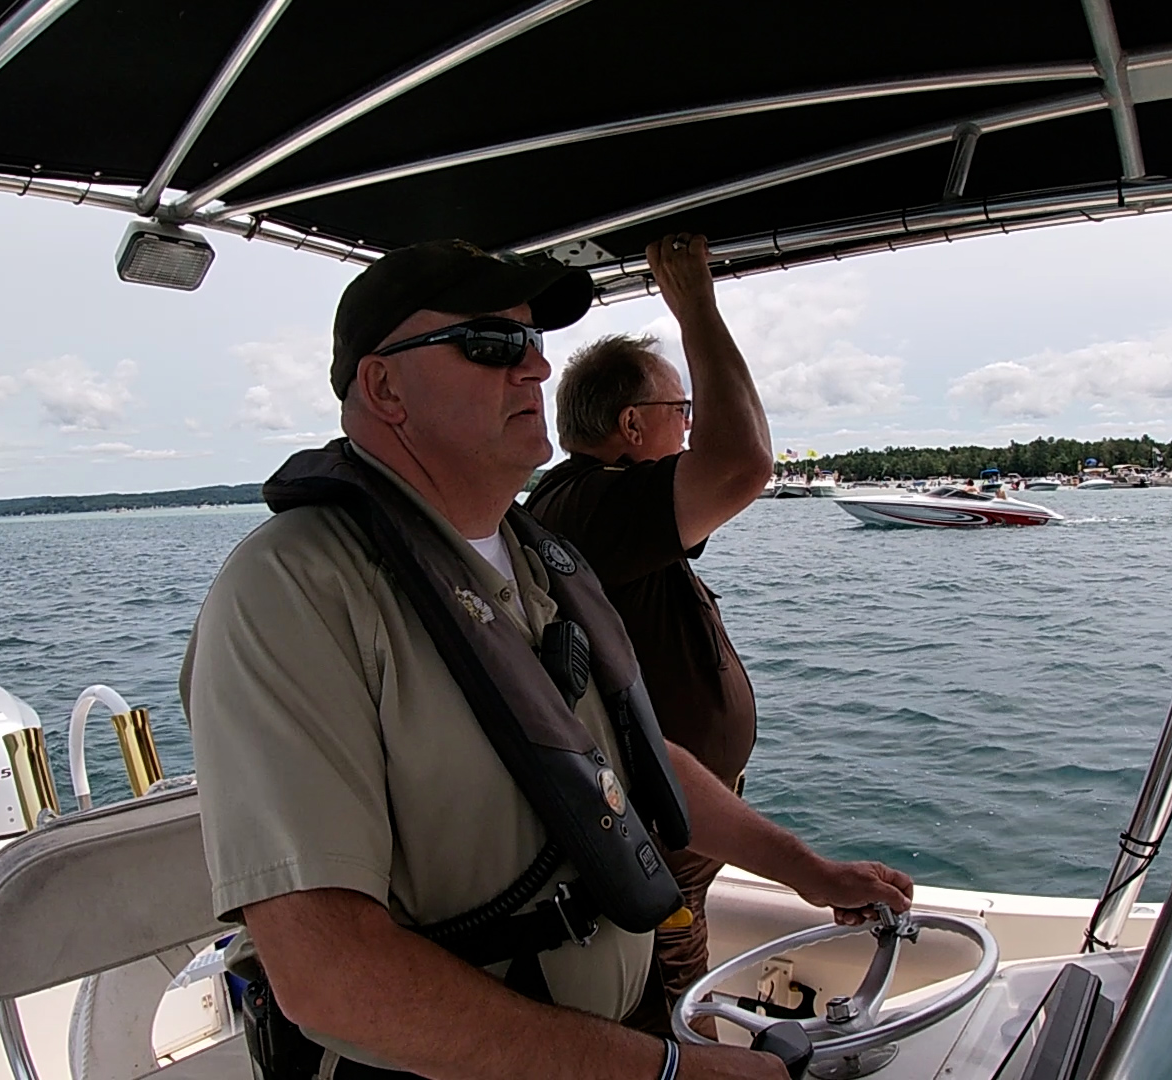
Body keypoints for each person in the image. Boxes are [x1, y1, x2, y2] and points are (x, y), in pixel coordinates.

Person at [181, 238, 912, 1080]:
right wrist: (667, 1074)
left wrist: (805, 870)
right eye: (493, 345)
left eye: (533, 343)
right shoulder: (293, 593)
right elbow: (330, 976)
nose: (534, 368)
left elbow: (623, 762)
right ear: (383, 386)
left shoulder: (536, 562)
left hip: (621, 1032)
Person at [525, 234, 772, 1028]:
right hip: (654, 829)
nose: (692, 426)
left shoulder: (610, 506)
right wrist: (695, 304)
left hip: (681, 826)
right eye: (681, 412)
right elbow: (741, 463)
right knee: (664, 1007)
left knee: (678, 975)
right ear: (632, 425)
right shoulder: (592, 502)